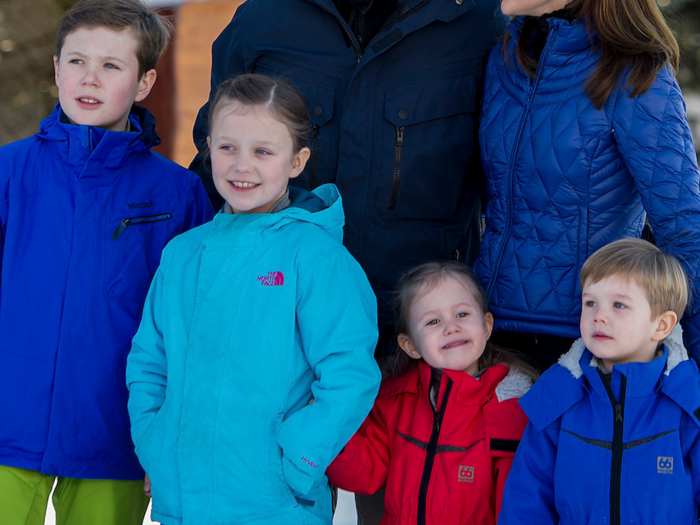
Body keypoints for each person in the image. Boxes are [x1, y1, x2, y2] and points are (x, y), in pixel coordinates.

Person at [126, 74, 381, 525]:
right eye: (228, 148)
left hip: (275, 503)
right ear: (208, 148)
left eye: (263, 151)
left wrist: (298, 461)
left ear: (297, 160)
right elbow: (149, 360)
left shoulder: (316, 257)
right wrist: (154, 440)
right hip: (183, 499)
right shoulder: (182, 254)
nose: (242, 166)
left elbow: (349, 374)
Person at [189, 0, 507, 359]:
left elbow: (507, 179)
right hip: (279, 321)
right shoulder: (264, 17)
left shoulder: (473, 20)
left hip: (419, 330)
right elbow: (213, 156)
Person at [0, 1, 214, 524]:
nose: (88, 78)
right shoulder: (9, 171)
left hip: (114, 431)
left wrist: (170, 433)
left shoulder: (177, 192)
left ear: (144, 83)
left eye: (112, 66)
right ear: (55, 69)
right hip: (9, 423)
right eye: (76, 61)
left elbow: (193, 323)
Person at [475, 0, 700, 370]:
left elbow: (684, 229)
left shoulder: (635, 72)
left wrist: (688, 373)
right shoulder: (506, 59)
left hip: (586, 345)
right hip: (487, 336)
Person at [498, 238, 700, 523]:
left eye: (619, 305)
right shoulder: (559, 396)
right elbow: (526, 500)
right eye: (590, 302)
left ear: (661, 325)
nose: (598, 316)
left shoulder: (688, 400)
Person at [326, 261, 537, 524]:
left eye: (462, 314)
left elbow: (518, 508)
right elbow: (362, 471)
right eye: (433, 321)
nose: (451, 327)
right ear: (410, 345)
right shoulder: (397, 401)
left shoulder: (511, 409)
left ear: (486, 325)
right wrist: (326, 427)